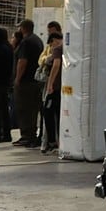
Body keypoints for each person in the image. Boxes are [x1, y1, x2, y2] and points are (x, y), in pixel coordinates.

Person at [12, 18, 44, 148]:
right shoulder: (37, 40)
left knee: (24, 109)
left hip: (26, 81)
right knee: (33, 109)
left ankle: (26, 135)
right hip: (35, 80)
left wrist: (17, 78)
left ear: (23, 28)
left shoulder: (26, 42)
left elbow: (22, 61)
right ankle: (31, 134)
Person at [38, 26, 64, 154]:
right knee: (59, 114)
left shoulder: (58, 50)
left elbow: (56, 65)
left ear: (54, 40)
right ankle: (58, 142)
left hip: (55, 88)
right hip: (63, 88)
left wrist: (50, 83)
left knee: (47, 112)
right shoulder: (69, 48)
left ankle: (52, 142)